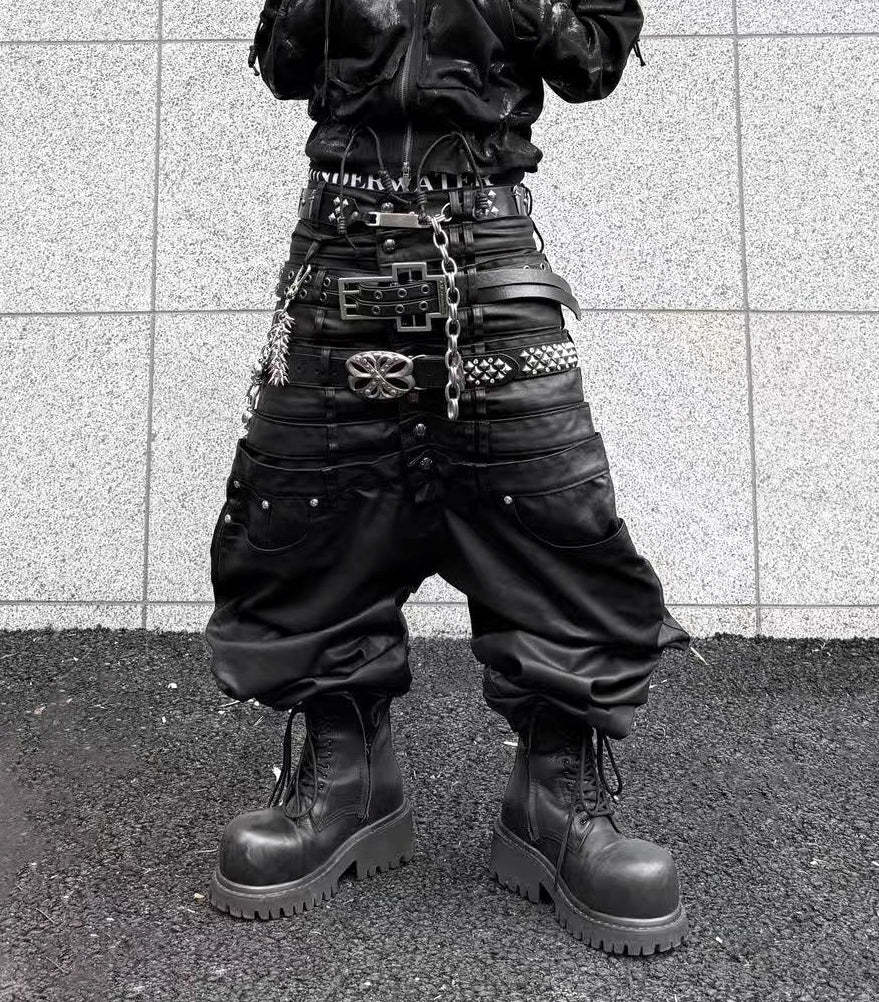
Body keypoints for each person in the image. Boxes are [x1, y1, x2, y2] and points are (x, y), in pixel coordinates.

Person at [204, 0, 691, 955]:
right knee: (304, 505)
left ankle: (553, 799)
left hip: (488, 241)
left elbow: (590, 62)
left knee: (551, 510)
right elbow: (286, 66)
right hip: (339, 237)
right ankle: (345, 784)